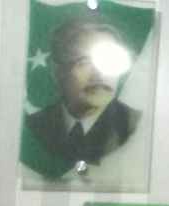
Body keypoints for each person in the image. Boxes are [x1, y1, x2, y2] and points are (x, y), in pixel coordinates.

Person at [25, 18, 140, 167]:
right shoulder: (34, 126)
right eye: (84, 62)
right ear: (57, 71)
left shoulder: (135, 126)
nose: (99, 74)